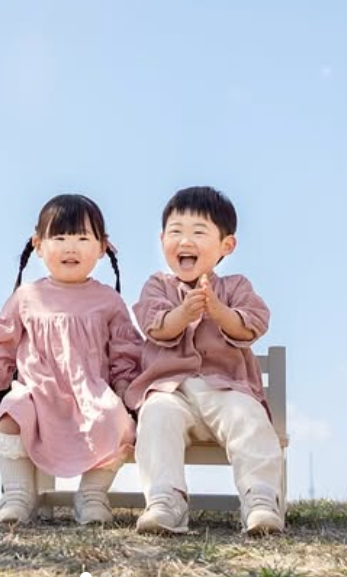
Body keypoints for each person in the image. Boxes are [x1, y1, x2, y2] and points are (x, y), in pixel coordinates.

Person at [0, 193, 143, 526]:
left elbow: (124, 350)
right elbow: (3, 344)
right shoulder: (27, 296)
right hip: (36, 390)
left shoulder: (108, 300)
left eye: (82, 238)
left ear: (102, 248)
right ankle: (18, 494)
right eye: (59, 237)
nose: (71, 247)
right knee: (11, 411)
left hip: (90, 390)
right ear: (39, 245)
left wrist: (125, 389)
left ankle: (91, 495)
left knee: (113, 417)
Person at [127, 185, 285, 535]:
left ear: (226, 245)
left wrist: (218, 310)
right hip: (172, 391)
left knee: (249, 418)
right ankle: (165, 500)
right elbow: (156, 326)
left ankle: (259, 499)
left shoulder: (235, 286)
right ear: (162, 239)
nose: (185, 240)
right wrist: (183, 313)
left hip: (227, 389)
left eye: (199, 232)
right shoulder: (157, 285)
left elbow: (253, 324)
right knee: (155, 416)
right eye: (175, 232)